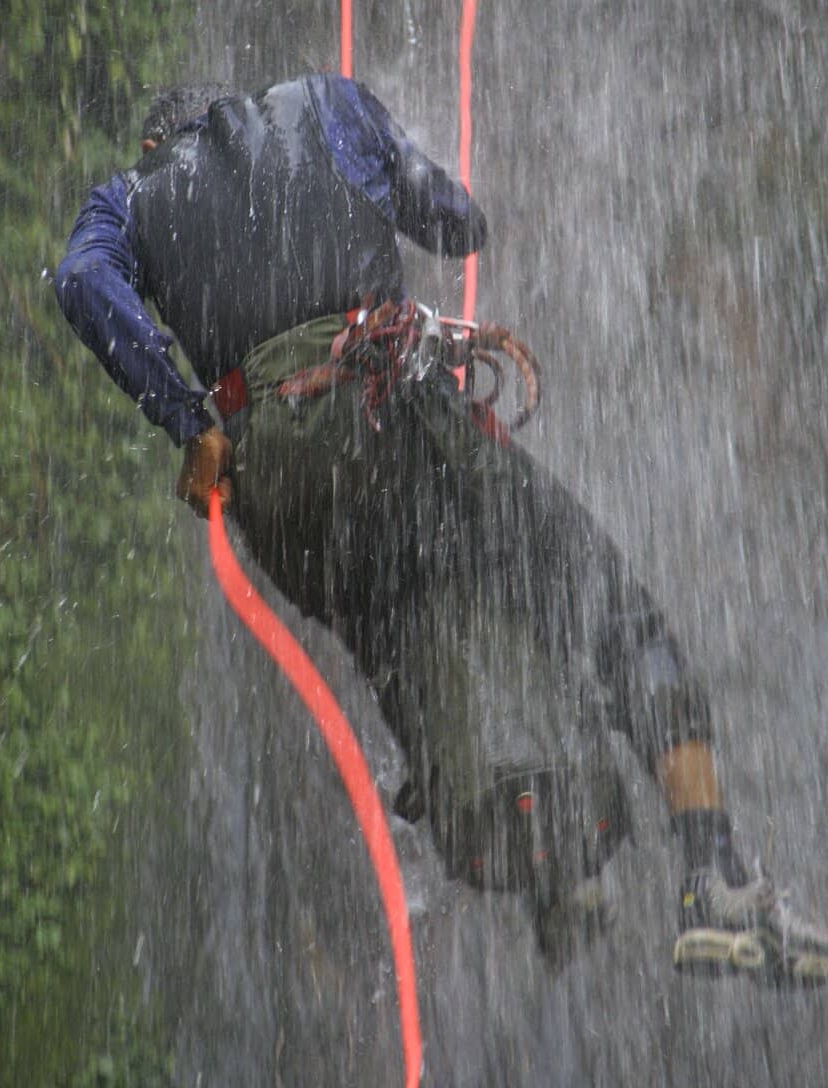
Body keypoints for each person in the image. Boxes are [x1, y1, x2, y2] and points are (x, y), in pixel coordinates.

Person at [55, 75, 827, 982]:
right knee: (594, 601)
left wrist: (193, 425)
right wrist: (390, 172)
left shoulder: (131, 200)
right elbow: (457, 223)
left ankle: (542, 858)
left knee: (408, 633)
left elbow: (79, 280)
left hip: (284, 489)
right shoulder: (324, 106)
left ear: (153, 147)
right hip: (391, 418)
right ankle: (716, 881)